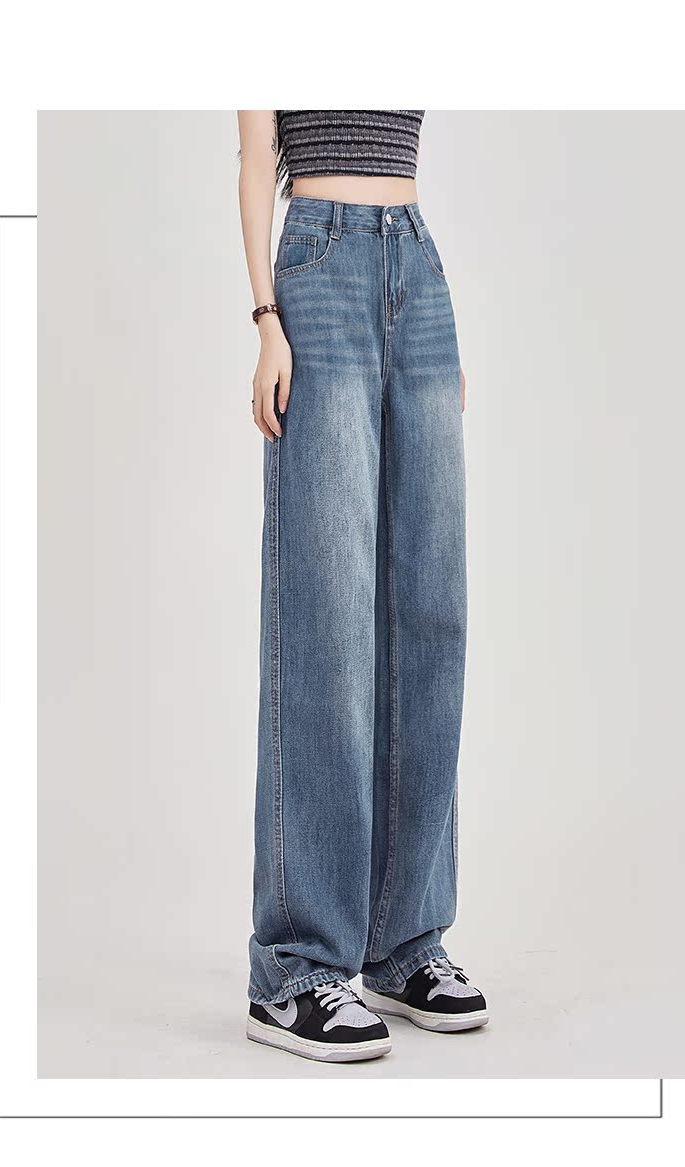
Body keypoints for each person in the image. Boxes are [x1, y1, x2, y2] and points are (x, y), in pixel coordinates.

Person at [238, 110, 487, 1063]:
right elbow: (255, 160)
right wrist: (267, 320)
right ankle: (295, 964)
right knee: (329, 617)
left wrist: (422, 315)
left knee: (432, 612)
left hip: (417, 266)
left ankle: (404, 939)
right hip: (319, 267)